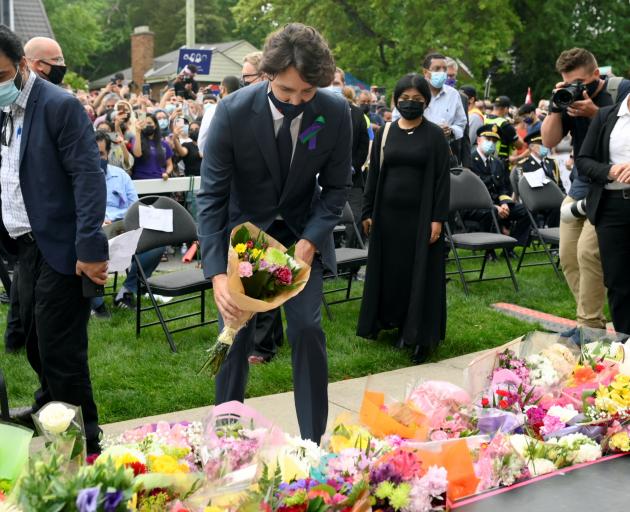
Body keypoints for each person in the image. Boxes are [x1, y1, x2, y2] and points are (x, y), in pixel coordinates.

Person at [197, 23, 352, 443]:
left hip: (301, 235)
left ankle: (311, 442)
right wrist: (216, 275)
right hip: (246, 237)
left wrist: (311, 239)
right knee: (235, 332)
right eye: (287, 92)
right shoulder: (232, 113)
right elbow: (211, 196)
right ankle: (226, 437)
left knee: (306, 330)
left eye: (307, 93)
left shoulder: (335, 113)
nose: (298, 102)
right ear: (268, 74)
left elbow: (337, 187)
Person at [0, 26, 107, 454]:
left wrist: (90, 250)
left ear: (23, 66)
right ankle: (50, 407)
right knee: (35, 340)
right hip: (22, 247)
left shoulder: (59, 106)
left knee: (61, 350)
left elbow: (87, 178)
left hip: (61, 248)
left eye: (2, 74)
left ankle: (85, 442)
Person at [357, 73, 450, 363]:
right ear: (396, 100)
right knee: (392, 271)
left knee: (419, 272)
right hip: (387, 216)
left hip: (421, 218)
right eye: (405, 99)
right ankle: (391, 323)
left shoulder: (434, 135)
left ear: (426, 102)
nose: (410, 104)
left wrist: (438, 218)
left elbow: (441, 180)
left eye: (417, 100)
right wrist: (367, 211)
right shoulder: (385, 131)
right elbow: (374, 175)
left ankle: (419, 335)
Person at [541, 48, 612, 337]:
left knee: (588, 253)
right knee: (568, 255)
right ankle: (589, 321)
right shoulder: (568, 99)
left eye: (581, 81)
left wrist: (595, 113)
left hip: (611, 181)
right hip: (581, 182)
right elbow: (548, 139)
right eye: (569, 82)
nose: (577, 88)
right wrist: (557, 105)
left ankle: (590, 327)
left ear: (597, 74)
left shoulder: (620, 93)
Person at [577, 91, 630, 335]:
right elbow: (584, 161)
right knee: (618, 282)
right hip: (612, 206)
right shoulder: (607, 116)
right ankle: (626, 345)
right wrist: (609, 170)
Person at [467, 125, 530, 248]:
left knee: (526, 210)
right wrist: (494, 206)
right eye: (488, 139)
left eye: (494, 141)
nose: (491, 143)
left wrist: (505, 203)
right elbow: (472, 192)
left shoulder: (497, 163)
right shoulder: (469, 161)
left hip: (497, 204)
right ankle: (489, 250)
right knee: (492, 212)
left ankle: (511, 245)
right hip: (476, 205)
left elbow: (502, 188)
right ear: (479, 140)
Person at [332, 67, 369, 248]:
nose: (332, 87)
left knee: (353, 220)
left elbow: (363, 146)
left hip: (352, 179)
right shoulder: (316, 113)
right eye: (328, 83)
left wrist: (353, 166)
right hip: (322, 181)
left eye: (336, 83)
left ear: (343, 85)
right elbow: (308, 141)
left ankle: (350, 267)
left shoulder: (356, 114)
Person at [513, 125, 565, 227]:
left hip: (553, 200)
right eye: (541, 144)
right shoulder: (523, 165)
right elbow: (522, 192)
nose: (544, 146)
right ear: (531, 147)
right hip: (536, 202)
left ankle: (556, 239)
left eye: (545, 144)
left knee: (564, 205)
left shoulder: (552, 162)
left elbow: (559, 185)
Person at [131, 113, 174, 180]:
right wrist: (138, 132)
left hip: (160, 180)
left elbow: (169, 164)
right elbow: (137, 154)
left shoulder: (164, 144)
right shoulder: (136, 139)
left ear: (155, 125)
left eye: (149, 123)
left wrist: (167, 173)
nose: (147, 125)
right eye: (144, 123)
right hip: (141, 179)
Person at [485, 96, 526, 166]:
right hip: (500, 162)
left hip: (484, 159)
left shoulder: (484, 118)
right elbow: (520, 145)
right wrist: (513, 129)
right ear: (506, 109)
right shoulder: (504, 124)